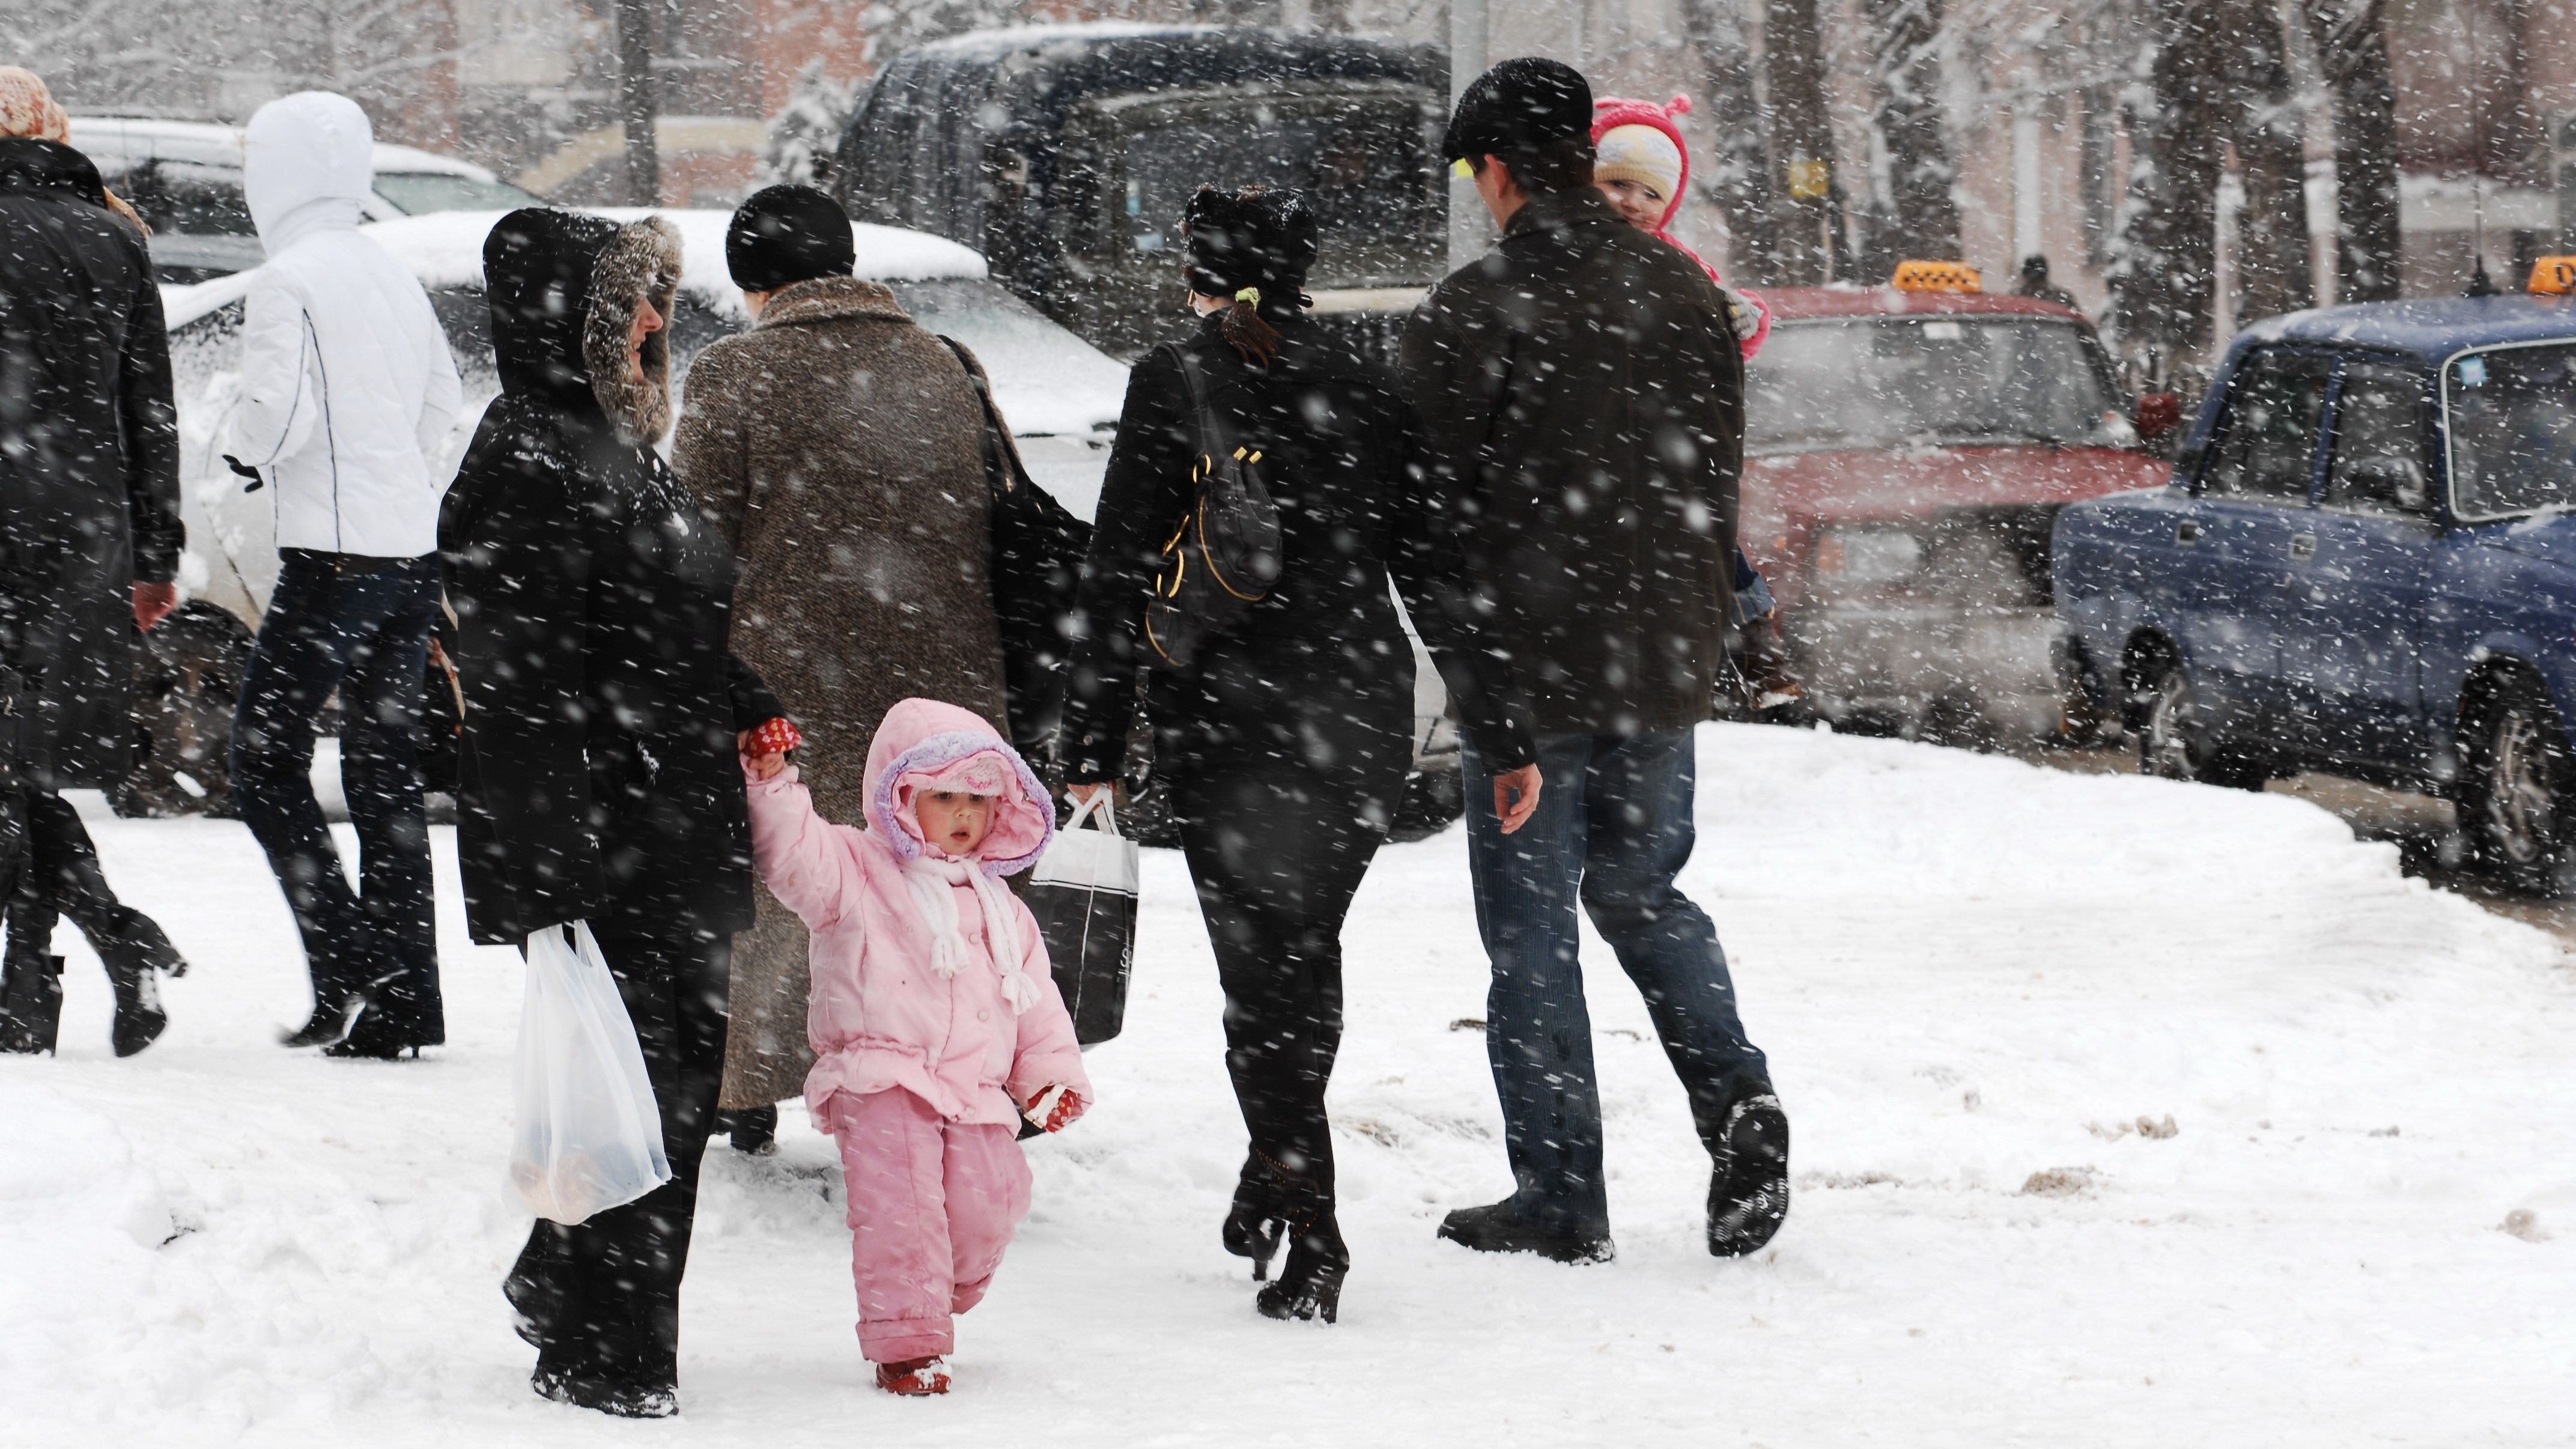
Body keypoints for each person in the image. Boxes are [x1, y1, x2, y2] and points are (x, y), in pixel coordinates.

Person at [1059, 184, 1541, 1324]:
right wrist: (1499, 730)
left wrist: (1091, 746)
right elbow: (1436, 571)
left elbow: (1117, 574)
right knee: (1302, 960)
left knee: (1260, 984)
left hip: (1229, 725)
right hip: (1357, 718)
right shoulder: (1370, 383)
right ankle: (1271, 1169)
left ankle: (1311, 1223)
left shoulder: (1171, 380)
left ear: (1194, 271)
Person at [1402, 57, 1789, 1266]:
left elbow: (1424, 526)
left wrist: (1484, 702)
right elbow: (1712, 487)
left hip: (1529, 675)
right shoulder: (1684, 292)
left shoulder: (1476, 307)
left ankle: (1560, 1195)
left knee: (1531, 935)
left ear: (1497, 171)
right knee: (1640, 893)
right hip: (1661, 661)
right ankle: (1737, 1097)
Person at [440, 208, 788, 1418]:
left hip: (668, 814)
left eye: (654, 296)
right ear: (566, 321)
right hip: (602, 834)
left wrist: (740, 694)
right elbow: (519, 688)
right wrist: (553, 874)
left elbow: (654, 621)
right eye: (628, 298)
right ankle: (615, 1355)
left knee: (662, 1092)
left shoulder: (614, 443)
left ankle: (563, 1286)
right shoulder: (525, 460)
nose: (653, 319)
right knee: (651, 1093)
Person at [673, 183, 1014, 1157]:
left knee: (787, 889)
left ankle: (750, 1081)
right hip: (946, 689)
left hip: (793, 685)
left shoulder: (734, 373)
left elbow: (694, 546)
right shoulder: (945, 362)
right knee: (929, 888)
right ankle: (953, 1074)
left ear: (752, 282)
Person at [741, 698, 1089, 1396]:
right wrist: (772, 779)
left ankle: (932, 1289)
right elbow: (793, 854)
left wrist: (1050, 1075)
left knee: (991, 1203)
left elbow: (1035, 999)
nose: (965, 814)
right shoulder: (854, 869)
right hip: (882, 1074)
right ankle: (909, 1344)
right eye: (944, 796)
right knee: (901, 1211)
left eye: (979, 800)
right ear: (901, 797)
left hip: (975, 1087)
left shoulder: (1003, 908)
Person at [223, 91, 464, 1058]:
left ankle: (359, 958)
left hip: (334, 553)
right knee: (382, 770)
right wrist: (396, 476)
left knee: (263, 758)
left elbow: (277, 417)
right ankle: (405, 1000)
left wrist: (242, 450)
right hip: (409, 552)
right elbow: (442, 401)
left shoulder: (288, 278)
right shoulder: (390, 271)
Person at [0, 66, 192, 1059]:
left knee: (13, 772)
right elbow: (150, 410)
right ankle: (56, 974)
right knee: (22, 768)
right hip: (83, 534)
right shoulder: (116, 236)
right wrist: (155, 553)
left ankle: (60, 972)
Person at [1589, 92, 1803, 711]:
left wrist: (1744, 320)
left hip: (1664, 443)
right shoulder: (1574, 258)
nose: (1633, 202)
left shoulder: (1679, 265)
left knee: (1711, 544)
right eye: (1617, 184)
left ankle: (1756, 644)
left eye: (1651, 193)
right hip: (1604, 444)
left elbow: (1729, 318)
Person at [2016, 254, 2082, 312]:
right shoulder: (2062, 298)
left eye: (2038, 280)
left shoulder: (2062, 298)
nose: (2035, 285)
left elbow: (2078, 319)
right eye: (2032, 281)